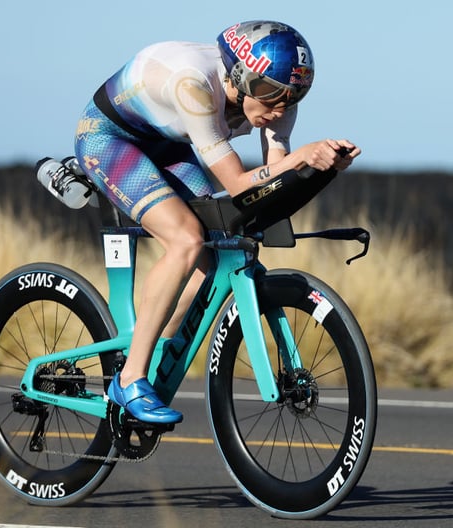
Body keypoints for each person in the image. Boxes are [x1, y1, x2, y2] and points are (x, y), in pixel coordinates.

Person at [73, 20, 360, 424]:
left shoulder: (278, 105)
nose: (279, 107)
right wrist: (300, 158)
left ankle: (152, 353)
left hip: (168, 143)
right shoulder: (193, 83)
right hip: (109, 139)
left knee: (210, 253)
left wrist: (322, 167)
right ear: (240, 77)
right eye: (270, 93)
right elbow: (240, 185)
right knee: (187, 241)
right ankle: (131, 377)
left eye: (293, 97)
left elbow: (271, 184)